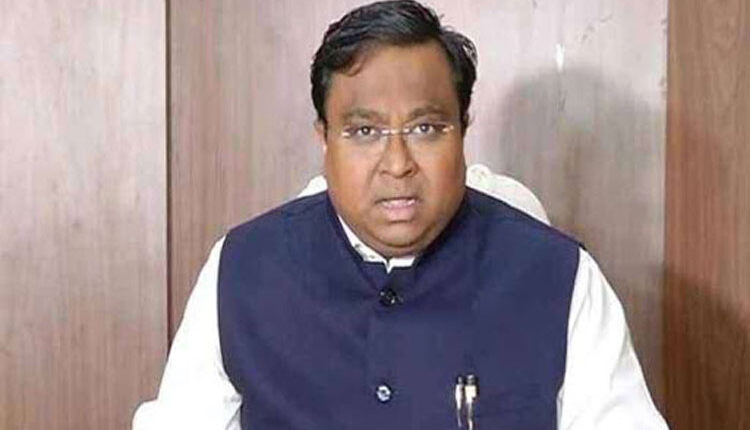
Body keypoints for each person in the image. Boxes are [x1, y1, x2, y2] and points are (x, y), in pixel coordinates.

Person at [133, 1, 668, 428]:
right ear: (324, 139)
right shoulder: (243, 270)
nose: (397, 164)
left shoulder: (558, 276)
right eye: (365, 131)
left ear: (463, 129)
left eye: (426, 128)